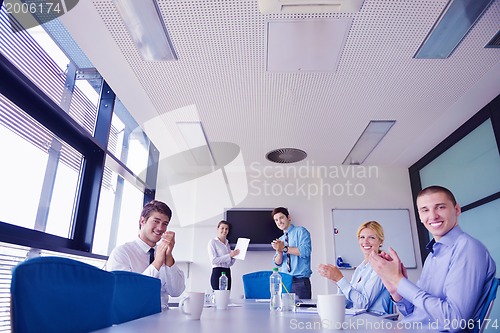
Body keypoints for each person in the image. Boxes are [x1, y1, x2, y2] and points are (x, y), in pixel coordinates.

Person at [369, 185, 496, 331]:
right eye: (425, 210)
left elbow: (454, 321)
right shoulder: (433, 254)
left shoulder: (467, 248)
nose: (433, 216)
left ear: (457, 210)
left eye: (440, 207)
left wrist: (400, 281)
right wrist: (396, 290)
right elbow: (415, 314)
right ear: (420, 216)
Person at [106, 200, 185, 309]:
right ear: (142, 221)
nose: (160, 228)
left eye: (165, 224)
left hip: (163, 315)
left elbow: (176, 291)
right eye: (156, 221)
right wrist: (157, 263)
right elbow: (128, 293)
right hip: (134, 317)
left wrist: (169, 257)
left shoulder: (163, 252)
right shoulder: (121, 253)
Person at [318, 221, 391, 315]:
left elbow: (364, 304)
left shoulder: (381, 266)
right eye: (362, 237)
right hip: (359, 318)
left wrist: (340, 280)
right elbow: (347, 303)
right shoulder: (360, 268)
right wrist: (338, 282)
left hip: (375, 322)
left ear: (380, 241)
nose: (365, 241)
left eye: (371, 238)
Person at [271, 207, 312, 299]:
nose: (279, 222)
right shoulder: (281, 239)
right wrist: (279, 252)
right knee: (284, 312)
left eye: (281, 218)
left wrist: (284, 248)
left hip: (300, 281)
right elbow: (277, 263)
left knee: (302, 312)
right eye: (276, 220)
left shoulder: (301, 231)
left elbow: (305, 251)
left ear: (288, 217)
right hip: (284, 281)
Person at [207, 220, 240, 290]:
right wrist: (230, 255)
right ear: (217, 229)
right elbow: (214, 260)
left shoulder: (227, 244)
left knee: (226, 296)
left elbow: (229, 263)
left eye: (226, 229)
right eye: (222, 228)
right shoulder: (213, 242)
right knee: (218, 297)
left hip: (227, 272)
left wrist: (235, 256)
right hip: (217, 272)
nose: (224, 231)